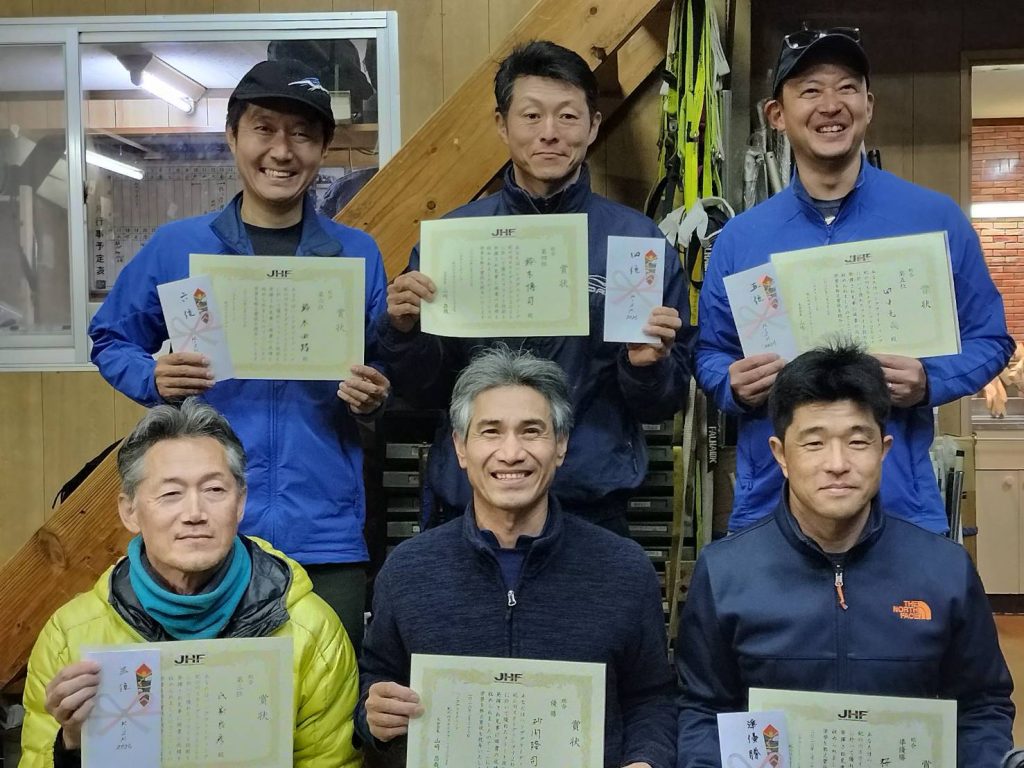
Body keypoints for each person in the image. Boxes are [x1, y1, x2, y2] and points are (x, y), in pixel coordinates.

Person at [88, 58, 390, 650]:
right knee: (210, 692)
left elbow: (385, 367)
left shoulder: (356, 254)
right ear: (232, 136)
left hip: (324, 530)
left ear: (322, 148)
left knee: (328, 697)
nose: (282, 151)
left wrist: (374, 395)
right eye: (264, 129)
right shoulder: (178, 247)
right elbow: (110, 338)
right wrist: (152, 376)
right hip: (205, 530)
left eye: (302, 134)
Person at [695, 27, 1014, 533]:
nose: (831, 105)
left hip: (899, 507)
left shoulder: (932, 219)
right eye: (810, 90)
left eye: (847, 87)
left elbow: (991, 340)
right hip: (772, 509)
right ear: (776, 114)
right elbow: (710, 352)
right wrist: (731, 383)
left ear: (869, 105)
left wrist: (930, 380)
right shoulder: (742, 239)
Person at [376, 40, 695, 535]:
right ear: (502, 125)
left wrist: (648, 367)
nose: (550, 133)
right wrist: (403, 332)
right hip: (473, 503)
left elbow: (662, 402)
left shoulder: (636, 244)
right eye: (531, 116)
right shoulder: (455, 241)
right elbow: (425, 390)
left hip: (590, 504)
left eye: (568, 116)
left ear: (593, 126)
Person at [675, 344, 1014, 767]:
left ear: (883, 450)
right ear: (781, 455)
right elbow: (703, 709)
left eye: (857, 441)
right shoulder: (725, 570)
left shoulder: (945, 569)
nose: (837, 463)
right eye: (814, 443)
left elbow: (982, 706)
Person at [357, 346, 677, 768]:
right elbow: (375, 680)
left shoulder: (623, 569)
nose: (511, 452)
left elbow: (652, 697)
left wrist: (646, 759)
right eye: (490, 432)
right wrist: (373, 714)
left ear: (560, 445)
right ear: (460, 447)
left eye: (531, 431)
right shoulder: (408, 570)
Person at [20, 399, 361, 768]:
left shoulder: (311, 631)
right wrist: (72, 746)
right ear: (130, 511)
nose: (195, 513)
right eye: (171, 494)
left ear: (240, 503)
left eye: (214, 490)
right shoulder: (70, 635)